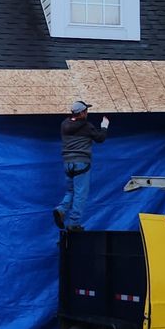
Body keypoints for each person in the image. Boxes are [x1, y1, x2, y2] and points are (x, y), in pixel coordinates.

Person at [54, 99, 109, 231]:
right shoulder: (86, 126)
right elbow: (100, 138)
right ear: (82, 113)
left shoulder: (64, 124)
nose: (87, 113)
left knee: (71, 190)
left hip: (67, 163)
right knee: (81, 194)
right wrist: (104, 126)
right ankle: (74, 223)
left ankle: (61, 209)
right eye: (86, 111)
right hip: (81, 163)